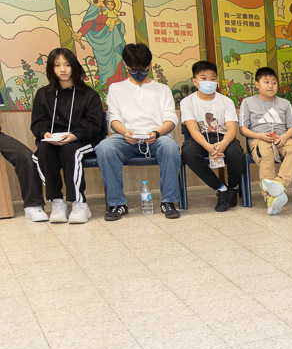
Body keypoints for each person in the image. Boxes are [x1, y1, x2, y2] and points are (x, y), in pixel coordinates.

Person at [94, 43, 180, 220]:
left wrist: (156, 133)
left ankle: (168, 201)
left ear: (149, 65)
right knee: (105, 148)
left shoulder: (162, 89)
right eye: (133, 69)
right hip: (125, 138)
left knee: (170, 147)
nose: (138, 73)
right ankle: (117, 204)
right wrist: (125, 132)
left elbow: (171, 119)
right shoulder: (116, 88)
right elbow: (113, 118)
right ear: (126, 65)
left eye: (142, 69)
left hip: (157, 137)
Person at [30, 47, 104, 223]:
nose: (62, 70)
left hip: (82, 139)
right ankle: (57, 202)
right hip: (53, 140)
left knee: (70, 151)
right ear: (51, 68)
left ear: (74, 67)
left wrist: (75, 135)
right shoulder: (43, 94)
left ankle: (79, 203)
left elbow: (94, 123)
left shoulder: (89, 95)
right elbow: (38, 121)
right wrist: (45, 134)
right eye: (57, 65)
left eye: (67, 65)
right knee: (41, 152)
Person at [179, 60, 244, 212]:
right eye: (203, 78)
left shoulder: (226, 101)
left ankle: (232, 188)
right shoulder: (187, 102)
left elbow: (231, 130)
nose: (209, 82)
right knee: (188, 153)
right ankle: (221, 188)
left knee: (236, 154)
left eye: (213, 78)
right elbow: (193, 130)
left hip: (223, 137)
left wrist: (223, 144)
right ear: (195, 81)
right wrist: (207, 146)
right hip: (199, 139)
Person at [239, 67, 292, 215]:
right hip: (259, 139)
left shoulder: (285, 103)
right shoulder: (247, 102)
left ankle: (278, 184)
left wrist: (284, 136)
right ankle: (270, 199)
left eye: (274, 82)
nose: (271, 85)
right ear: (257, 84)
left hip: (281, 138)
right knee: (266, 156)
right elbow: (243, 129)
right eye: (266, 82)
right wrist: (259, 136)